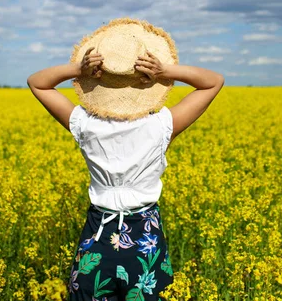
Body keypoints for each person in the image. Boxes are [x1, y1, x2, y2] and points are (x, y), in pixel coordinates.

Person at [27, 20, 224, 301]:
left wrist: (77, 70)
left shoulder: (84, 124)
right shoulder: (161, 126)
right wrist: (164, 71)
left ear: (98, 78)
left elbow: (37, 83)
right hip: (145, 237)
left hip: (97, 235)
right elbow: (213, 82)